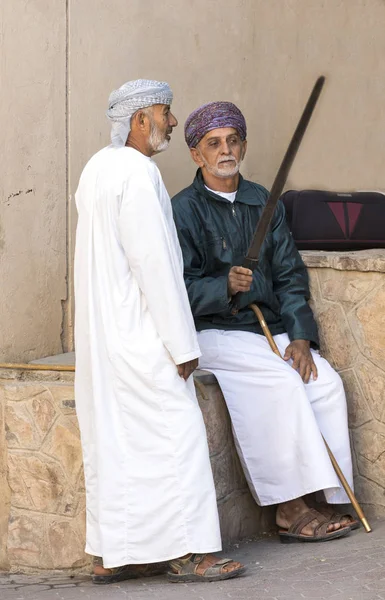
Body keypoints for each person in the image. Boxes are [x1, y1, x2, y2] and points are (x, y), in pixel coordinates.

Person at [74, 81, 244, 584]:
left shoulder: (96, 169)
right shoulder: (139, 173)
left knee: (117, 443)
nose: (172, 122)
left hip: (105, 336)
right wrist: (181, 344)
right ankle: (192, 552)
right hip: (142, 331)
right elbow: (155, 266)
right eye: (166, 113)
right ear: (140, 120)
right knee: (178, 435)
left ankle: (116, 553)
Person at [172, 101, 356, 543]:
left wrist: (300, 337)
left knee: (324, 383)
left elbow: (291, 276)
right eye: (213, 144)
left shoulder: (264, 203)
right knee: (280, 384)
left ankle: (328, 497)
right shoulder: (183, 210)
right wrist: (223, 285)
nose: (225, 150)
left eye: (232, 140)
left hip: (267, 329)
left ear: (245, 145)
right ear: (197, 155)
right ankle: (289, 509)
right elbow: (174, 288)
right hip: (215, 330)